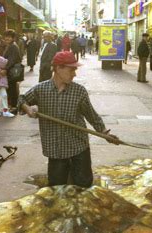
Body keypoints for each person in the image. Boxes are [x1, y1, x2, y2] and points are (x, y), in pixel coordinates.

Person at [18, 51, 119, 187]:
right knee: (57, 187)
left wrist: (105, 133)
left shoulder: (79, 91)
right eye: (71, 70)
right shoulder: (40, 90)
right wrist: (27, 108)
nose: (74, 74)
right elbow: (20, 99)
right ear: (58, 68)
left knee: (83, 186)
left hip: (78, 147)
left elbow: (92, 116)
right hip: (55, 149)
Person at [2, 29, 21, 114]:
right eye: (6, 36)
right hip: (11, 71)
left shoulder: (13, 46)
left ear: (13, 38)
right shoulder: (10, 45)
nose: (7, 38)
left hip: (12, 71)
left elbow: (11, 60)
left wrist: (5, 69)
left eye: (9, 37)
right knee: (11, 89)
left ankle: (14, 107)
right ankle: (12, 106)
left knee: (12, 90)